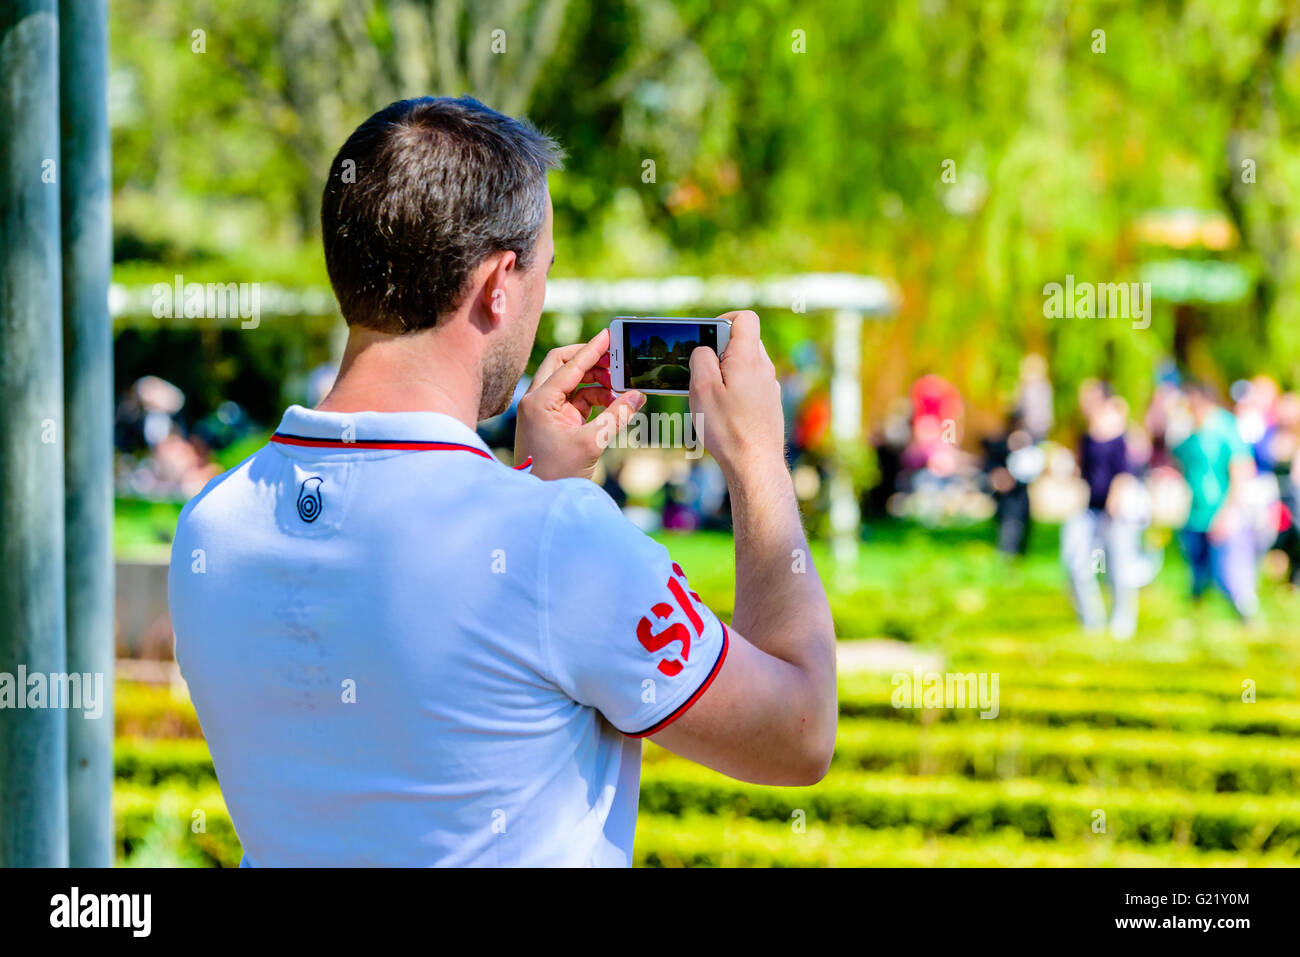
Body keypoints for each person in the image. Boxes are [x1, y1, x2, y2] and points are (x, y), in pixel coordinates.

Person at [167, 97, 837, 867]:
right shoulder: (561, 546)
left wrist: (539, 484)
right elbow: (800, 730)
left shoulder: (211, 525)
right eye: (544, 270)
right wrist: (757, 459)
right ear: (498, 283)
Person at [1061, 384, 1146, 638]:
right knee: (1076, 562)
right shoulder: (1085, 437)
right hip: (1090, 510)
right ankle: (1091, 619)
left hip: (1117, 514)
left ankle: (1122, 621)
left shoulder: (1124, 437)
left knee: (1118, 567)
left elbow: (1126, 473)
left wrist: (1114, 503)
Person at [1172, 380, 1260, 621]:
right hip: (1196, 514)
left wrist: (1228, 513)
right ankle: (1195, 622)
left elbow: (1242, 470)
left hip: (1222, 513)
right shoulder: (1190, 431)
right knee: (1197, 575)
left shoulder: (1225, 426)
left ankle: (1248, 620)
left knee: (1230, 574)